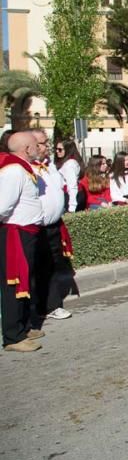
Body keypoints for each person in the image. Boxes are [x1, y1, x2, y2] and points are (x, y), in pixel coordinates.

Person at [0, 131, 45, 352]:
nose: (39, 147)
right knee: (13, 285)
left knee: (25, 282)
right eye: (36, 144)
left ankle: (24, 326)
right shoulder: (14, 171)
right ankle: (12, 336)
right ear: (27, 149)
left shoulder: (23, 168)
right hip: (16, 235)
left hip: (26, 233)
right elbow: (2, 206)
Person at [30, 130, 74, 322]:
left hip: (53, 225)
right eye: (42, 143)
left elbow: (59, 188)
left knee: (53, 265)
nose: (46, 146)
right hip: (36, 226)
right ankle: (37, 307)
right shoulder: (26, 168)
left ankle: (52, 305)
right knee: (37, 268)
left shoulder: (50, 166)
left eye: (46, 142)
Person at [55, 139, 83, 213]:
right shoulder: (67, 162)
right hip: (68, 195)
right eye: (56, 149)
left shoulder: (70, 164)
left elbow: (72, 186)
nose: (57, 151)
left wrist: (71, 207)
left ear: (68, 150)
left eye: (60, 149)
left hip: (70, 197)